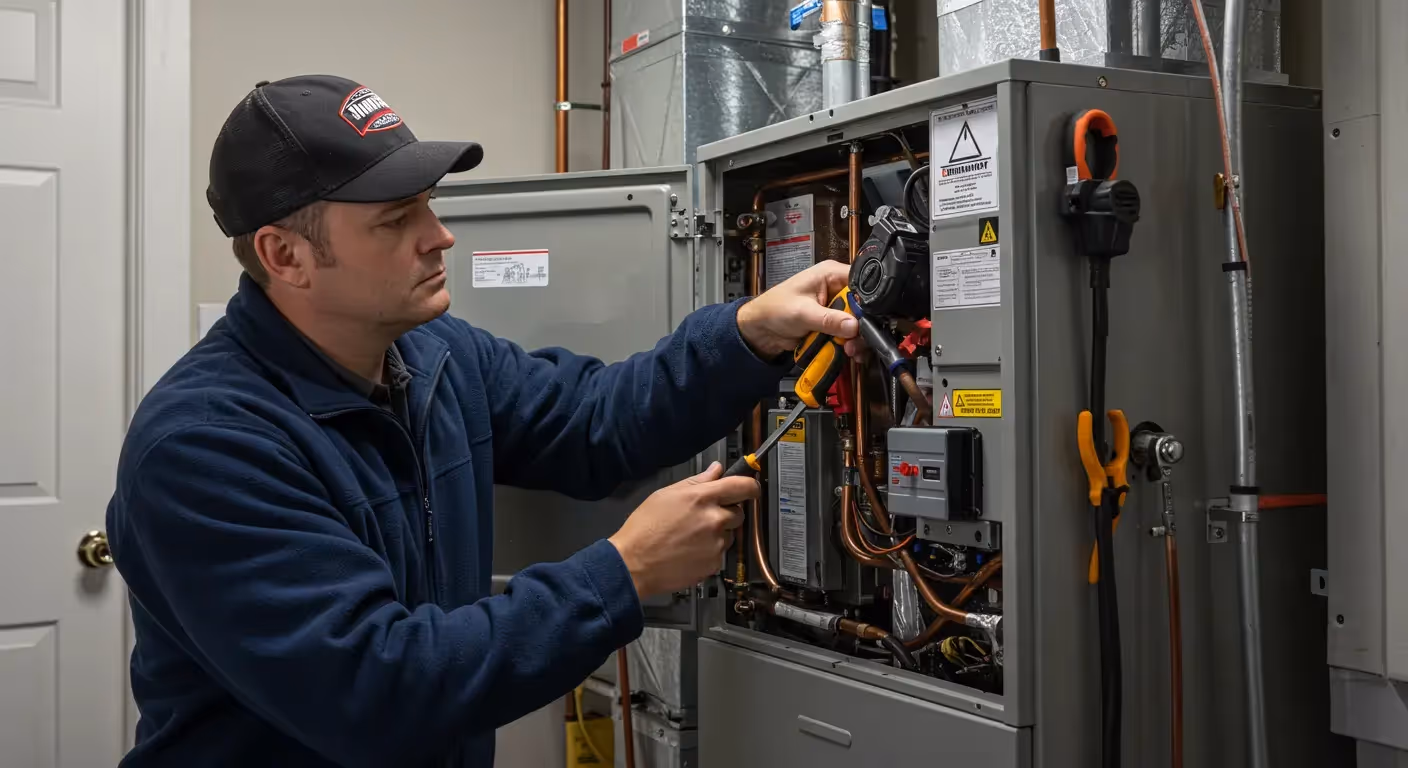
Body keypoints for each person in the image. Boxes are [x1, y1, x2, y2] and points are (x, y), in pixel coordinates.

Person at [106, 75, 859, 767]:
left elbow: (595, 421)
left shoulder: (435, 356)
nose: (439, 236)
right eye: (398, 219)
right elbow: (381, 689)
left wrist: (748, 333)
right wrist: (623, 573)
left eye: (429, 205)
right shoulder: (207, 448)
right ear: (287, 255)